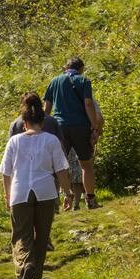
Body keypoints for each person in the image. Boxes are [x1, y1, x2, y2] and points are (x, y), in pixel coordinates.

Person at [0, 92, 72, 279]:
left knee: (21, 235)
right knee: (42, 235)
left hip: (20, 191)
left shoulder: (14, 141)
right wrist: (67, 193)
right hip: (46, 191)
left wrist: (7, 195)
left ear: (25, 122)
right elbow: (62, 171)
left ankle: (24, 265)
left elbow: (5, 172)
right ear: (42, 120)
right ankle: (36, 278)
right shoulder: (51, 140)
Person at [43, 57, 102, 210]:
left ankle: (54, 203)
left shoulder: (54, 81)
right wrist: (94, 127)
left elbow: (47, 108)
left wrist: (43, 127)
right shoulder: (84, 81)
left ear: (66, 67)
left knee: (57, 165)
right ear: (81, 69)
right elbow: (88, 103)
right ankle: (90, 200)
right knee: (86, 164)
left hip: (59, 127)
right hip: (80, 126)